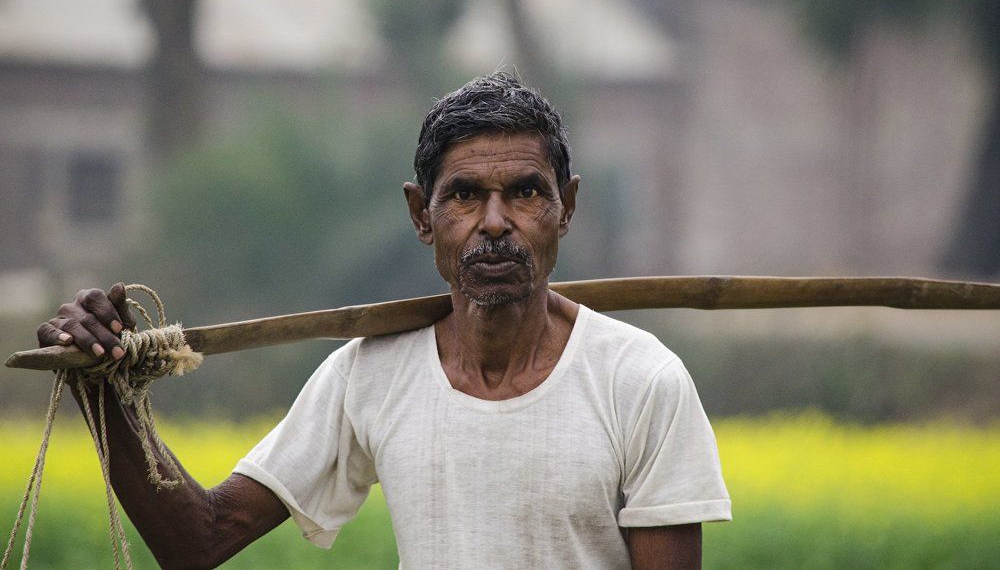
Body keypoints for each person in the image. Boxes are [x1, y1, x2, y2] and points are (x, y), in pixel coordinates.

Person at [38, 72, 730, 569]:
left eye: (525, 192)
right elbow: (199, 540)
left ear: (566, 208)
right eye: (463, 196)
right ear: (421, 216)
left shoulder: (641, 382)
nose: (495, 223)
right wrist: (102, 389)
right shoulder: (371, 373)